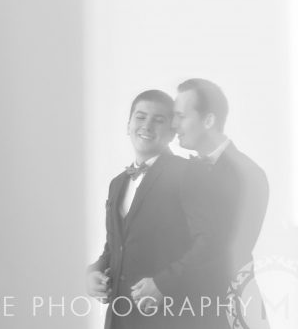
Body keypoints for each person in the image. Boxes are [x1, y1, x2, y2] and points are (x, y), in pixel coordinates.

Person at [88, 89, 218, 328]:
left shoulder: (188, 173)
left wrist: (163, 284)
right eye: (140, 117)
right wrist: (93, 273)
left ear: (171, 131)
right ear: (128, 125)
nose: (147, 126)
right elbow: (115, 246)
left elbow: (209, 241)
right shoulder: (117, 183)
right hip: (119, 319)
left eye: (158, 120)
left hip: (169, 318)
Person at [173, 78, 269, 325]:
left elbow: (224, 249)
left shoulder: (248, 174)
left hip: (226, 308)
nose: (174, 125)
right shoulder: (186, 170)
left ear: (208, 121)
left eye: (181, 116)